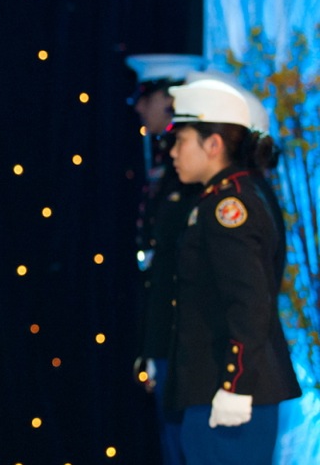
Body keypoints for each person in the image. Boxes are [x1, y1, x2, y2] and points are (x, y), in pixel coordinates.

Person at [166, 78, 301, 464]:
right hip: (218, 389)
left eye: (182, 140)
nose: (173, 152)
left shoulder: (229, 208)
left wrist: (235, 384)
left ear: (213, 144)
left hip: (230, 393)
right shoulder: (227, 196)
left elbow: (249, 301)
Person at [125, 54, 206, 465]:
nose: (140, 107)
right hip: (164, 333)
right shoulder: (163, 160)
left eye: (147, 96)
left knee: (186, 442)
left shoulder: (189, 174)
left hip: (185, 339)